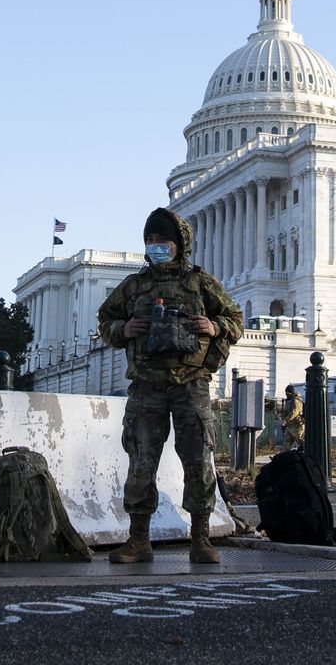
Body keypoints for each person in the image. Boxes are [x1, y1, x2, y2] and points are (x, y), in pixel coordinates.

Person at [96, 208, 243, 565]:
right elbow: (106, 320)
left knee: (197, 463)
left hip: (191, 385)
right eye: (150, 240)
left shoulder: (200, 283)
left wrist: (214, 326)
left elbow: (235, 319)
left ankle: (200, 538)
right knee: (141, 464)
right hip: (147, 387)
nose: (156, 246)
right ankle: (138, 539)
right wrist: (123, 329)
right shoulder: (134, 286)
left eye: (163, 240)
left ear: (179, 244)